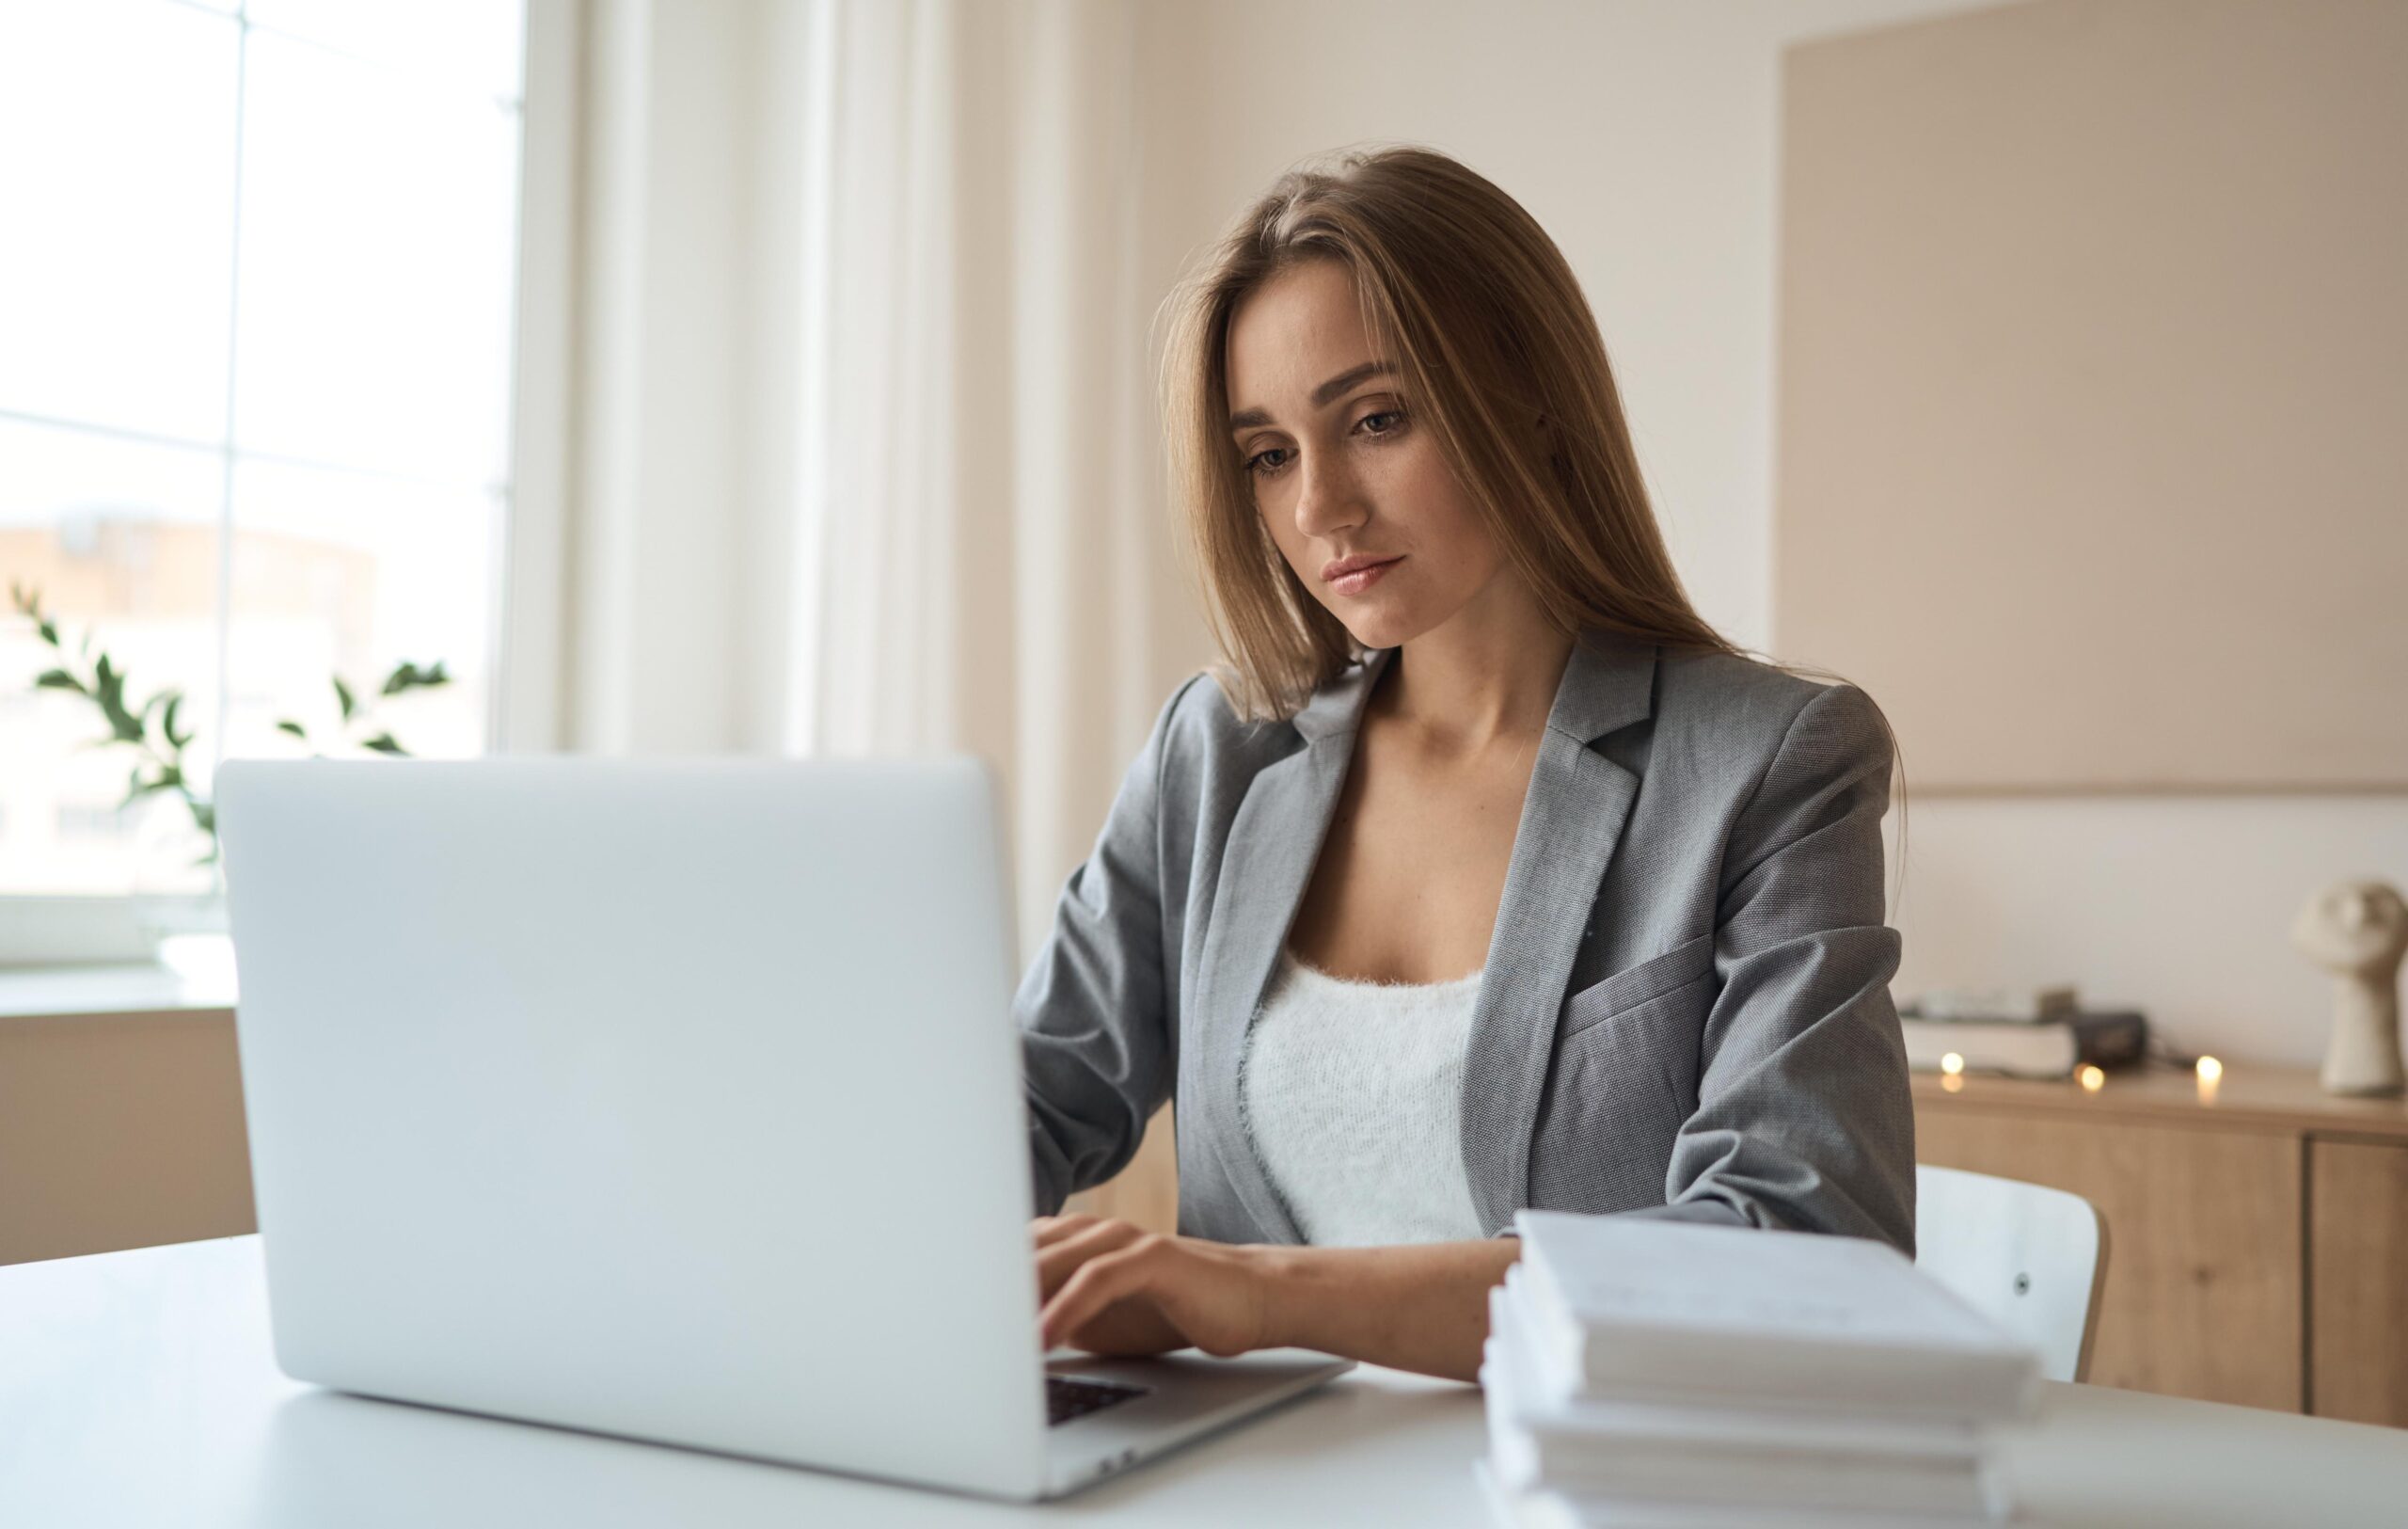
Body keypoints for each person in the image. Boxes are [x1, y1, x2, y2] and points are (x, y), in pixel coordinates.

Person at [1020, 145, 1913, 1385]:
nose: (1321, 506)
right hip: (1236, 1486)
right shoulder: (1214, 755)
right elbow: (1019, 1103)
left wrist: (1264, 1294)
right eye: (1269, 453)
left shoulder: (1771, 761)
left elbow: (1802, 1246)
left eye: (1376, 420)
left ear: (1529, 402)